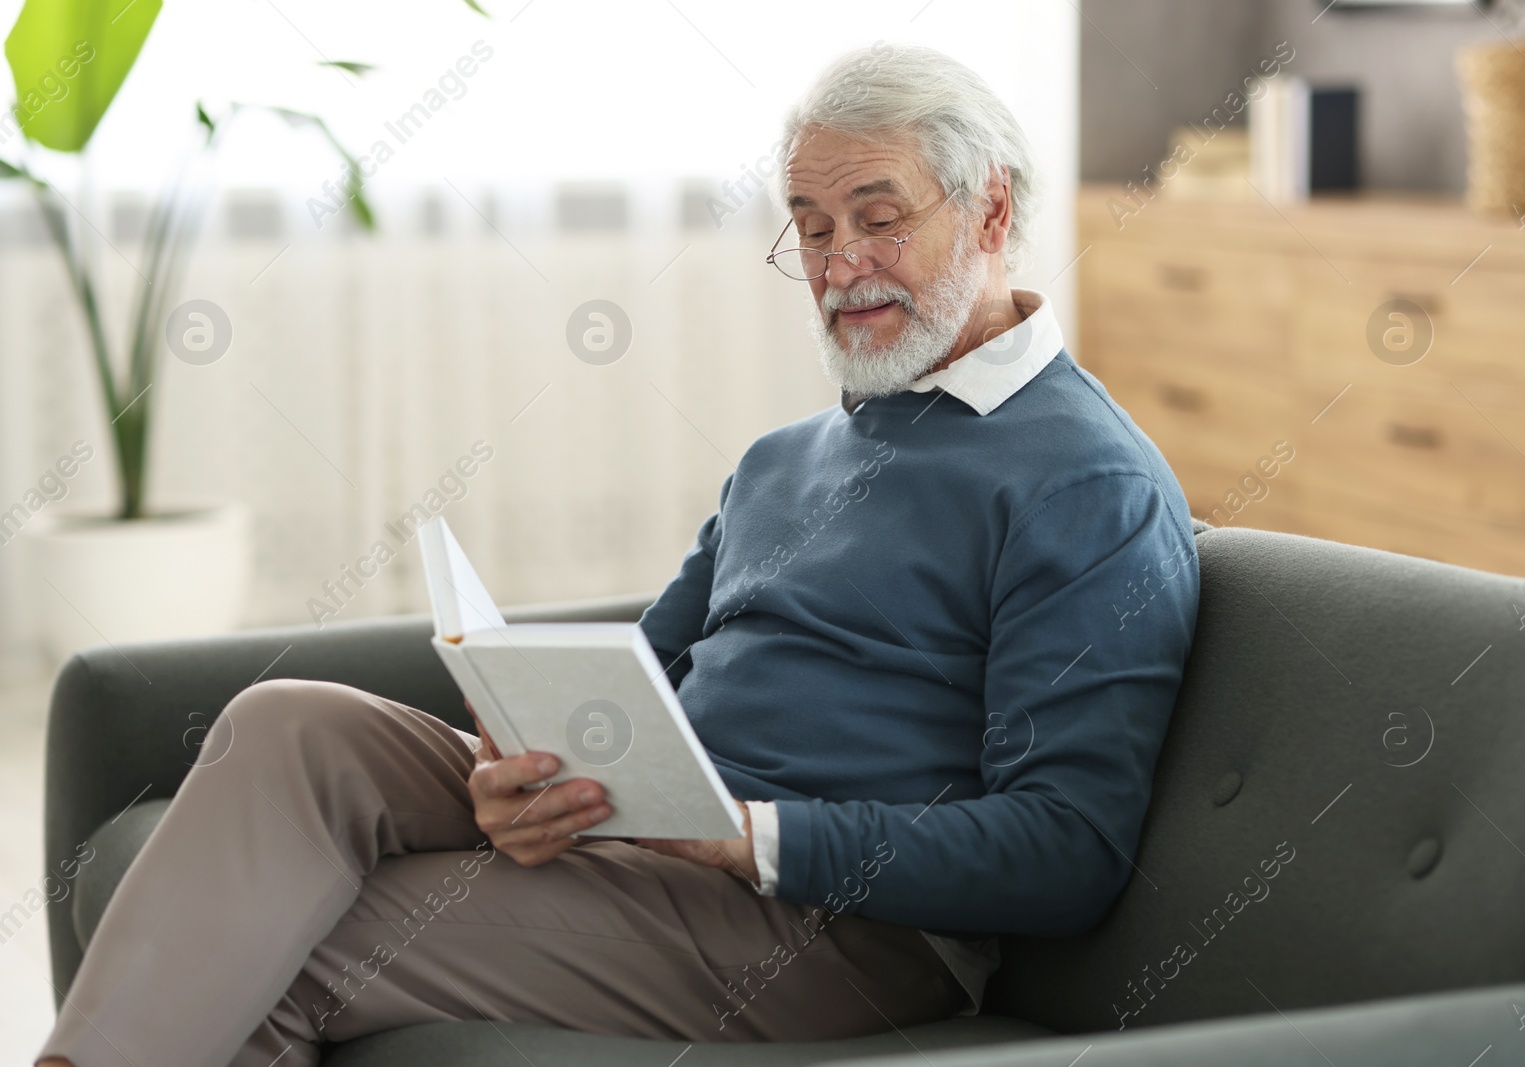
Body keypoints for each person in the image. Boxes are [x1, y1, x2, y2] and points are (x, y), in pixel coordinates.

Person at [36, 42, 1198, 1067]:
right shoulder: (784, 455)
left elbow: (1067, 847)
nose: (840, 262)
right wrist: (524, 771)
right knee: (290, 719)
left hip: (831, 928)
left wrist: (748, 836)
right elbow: (632, 674)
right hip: (646, 825)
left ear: (991, 213)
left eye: (879, 214)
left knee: (274, 939)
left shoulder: (1083, 481)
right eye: (810, 224)